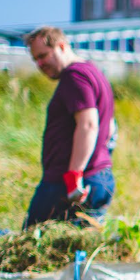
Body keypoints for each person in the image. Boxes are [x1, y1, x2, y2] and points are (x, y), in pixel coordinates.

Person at [23, 26, 116, 227]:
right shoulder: (93, 72)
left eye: (43, 55)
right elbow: (108, 126)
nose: (40, 64)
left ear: (61, 46)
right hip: (99, 177)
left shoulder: (74, 77)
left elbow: (89, 124)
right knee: (79, 253)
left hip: (68, 185)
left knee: (29, 245)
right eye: (35, 59)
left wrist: (74, 176)